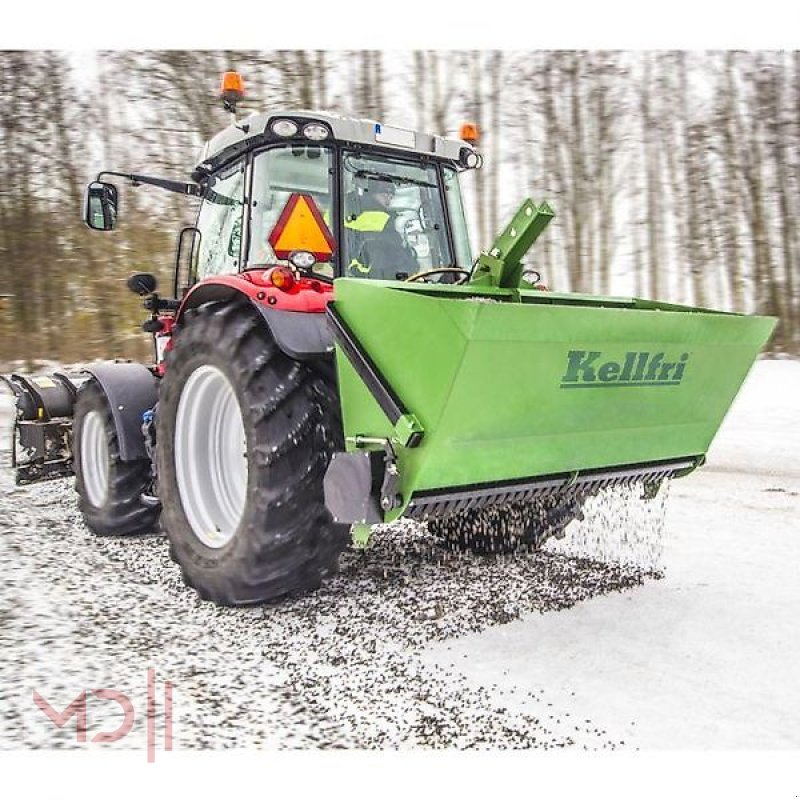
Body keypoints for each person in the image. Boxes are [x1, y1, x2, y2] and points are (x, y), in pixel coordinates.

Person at [344, 179, 419, 279]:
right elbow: (395, 254)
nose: (389, 197)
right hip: (372, 278)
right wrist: (411, 260)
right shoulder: (382, 218)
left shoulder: (344, 208)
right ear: (372, 193)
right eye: (386, 193)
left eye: (392, 194)